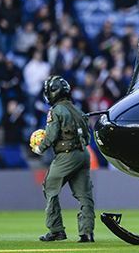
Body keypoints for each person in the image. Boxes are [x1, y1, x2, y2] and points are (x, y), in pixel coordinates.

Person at [31, 76, 95, 242]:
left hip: (66, 155)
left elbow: (51, 135)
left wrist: (40, 148)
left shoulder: (55, 111)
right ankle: (87, 233)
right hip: (83, 154)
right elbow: (88, 138)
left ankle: (56, 230)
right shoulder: (78, 110)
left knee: (50, 188)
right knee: (84, 195)